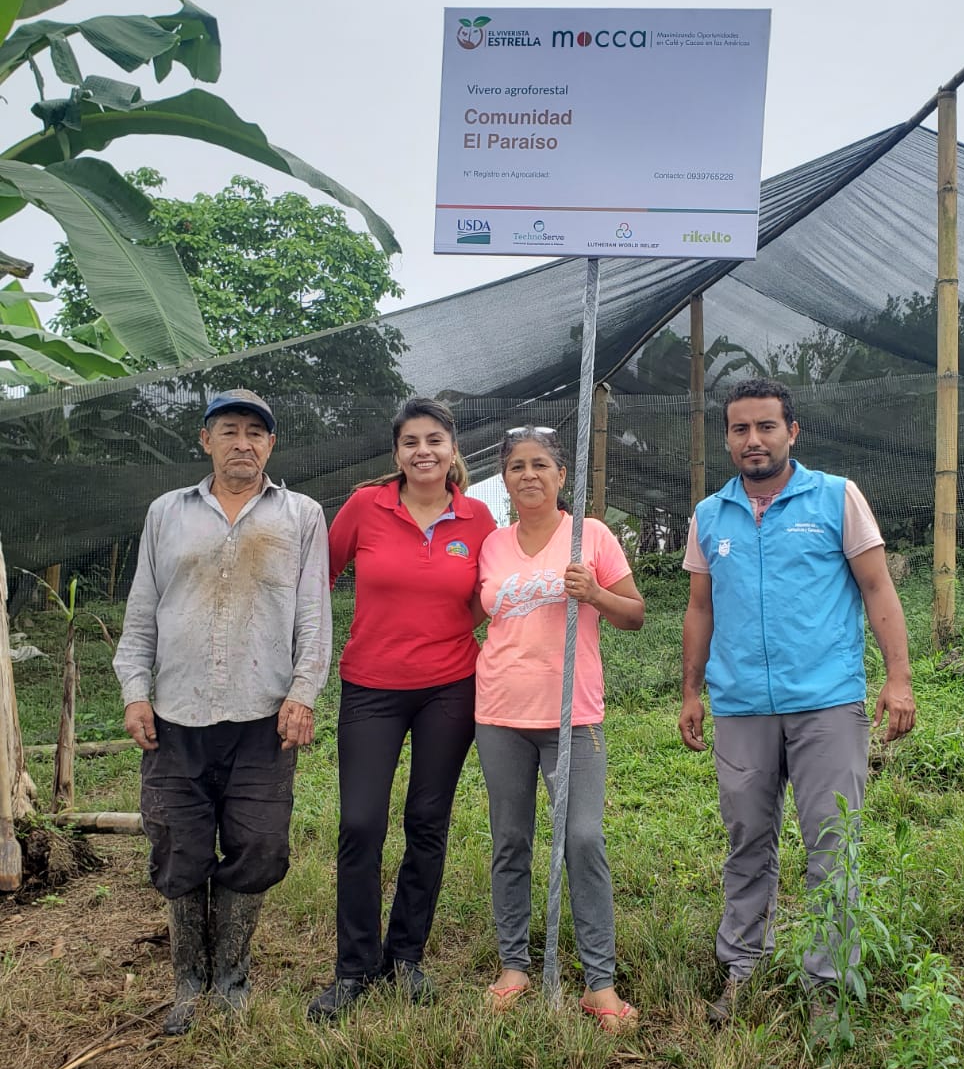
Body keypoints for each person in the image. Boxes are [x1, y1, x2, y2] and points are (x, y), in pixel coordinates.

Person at [679, 378, 915, 1025]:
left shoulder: (836, 497)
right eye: (740, 429)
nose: (753, 440)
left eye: (766, 427)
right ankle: (742, 970)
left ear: (792, 432)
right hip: (741, 706)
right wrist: (692, 691)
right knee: (747, 840)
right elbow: (699, 608)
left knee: (832, 844)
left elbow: (878, 589)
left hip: (827, 703)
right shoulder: (710, 515)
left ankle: (828, 986)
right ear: (727, 438)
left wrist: (898, 678)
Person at [114, 389, 332, 1035]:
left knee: (258, 843)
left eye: (255, 433)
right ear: (205, 441)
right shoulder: (167, 513)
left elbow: (313, 615)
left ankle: (231, 978)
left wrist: (303, 692)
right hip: (176, 714)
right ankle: (189, 981)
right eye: (229, 430)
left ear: (271, 445)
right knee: (177, 844)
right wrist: (134, 690)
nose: (243, 443)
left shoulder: (301, 515)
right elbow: (143, 609)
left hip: (264, 716)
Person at [307, 398, 496, 1022]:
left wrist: (450, 630)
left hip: (450, 689)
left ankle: (405, 958)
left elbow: (488, 594)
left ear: (452, 449)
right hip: (371, 687)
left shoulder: (477, 517)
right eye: (411, 441)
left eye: (434, 440)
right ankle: (354, 968)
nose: (423, 451)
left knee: (427, 821)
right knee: (361, 822)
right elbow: (317, 578)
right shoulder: (366, 507)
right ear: (397, 453)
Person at [473, 427, 644, 1030]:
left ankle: (600, 982)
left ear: (561, 475)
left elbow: (635, 615)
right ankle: (514, 966)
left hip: (573, 715)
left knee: (583, 838)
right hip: (500, 713)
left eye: (540, 464)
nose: (528, 475)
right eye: (517, 466)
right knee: (510, 839)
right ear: (505, 478)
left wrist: (594, 593)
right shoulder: (492, 545)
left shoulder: (589, 535)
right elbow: (473, 612)